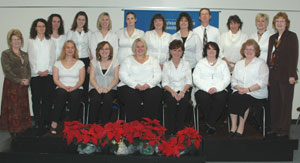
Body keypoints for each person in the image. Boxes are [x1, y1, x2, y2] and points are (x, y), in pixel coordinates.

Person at [267, 12, 299, 138]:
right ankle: (274, 127)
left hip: (286, 76)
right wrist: (268, 76)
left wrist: (292, 75)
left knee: (285, 103)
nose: (279, 23)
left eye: (282, 21)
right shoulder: (272, 38)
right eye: (277, 21)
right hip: (273, 75)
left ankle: (284, 129)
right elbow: (270, 57)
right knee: (274, 102)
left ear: (286, 23)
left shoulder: (291, 36)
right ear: (274, 24)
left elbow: (294, 56)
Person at [229, 39, 269, 137]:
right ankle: (233, 126)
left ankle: (241, 126)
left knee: (243, 98)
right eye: (247, 49)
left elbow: (263, 82)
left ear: (256, 51)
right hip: (239, 90)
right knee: (232, 98)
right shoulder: (239, 64)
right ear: (243, 50)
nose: (249, 51)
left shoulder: (261, 63)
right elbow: (233, 80)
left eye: (252, 49)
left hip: (256, 92)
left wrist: (248, 89)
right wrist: (238, 88)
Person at [118, 38, 162, 122]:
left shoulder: (153, 60)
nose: (140, 49)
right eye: (137, 47)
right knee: (133, 98)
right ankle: (134, 128)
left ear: (146, 48)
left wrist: (148, 84)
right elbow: (122, 75)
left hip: (150, 86)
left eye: (142, 46)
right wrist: (135, 85)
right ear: (134, 48)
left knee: (152, 97)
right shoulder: (127, 60)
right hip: (129, 86)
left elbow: (158, 75)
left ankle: (148, 128)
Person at [193, 42, 230, 136]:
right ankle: (212, 124)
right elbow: (196, 79)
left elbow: (227, 79)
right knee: (204, 98)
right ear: (205, 51)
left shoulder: (223, 63)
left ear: (217, 51)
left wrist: (216, 88)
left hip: (220, 89)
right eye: (209, 49)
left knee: (220, 98)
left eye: (214, 49)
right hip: (203, 89)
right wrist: (207, 88)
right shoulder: (200, 63)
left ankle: (209, 123)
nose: (211, 51)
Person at [0, 29, 32, 139]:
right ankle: (14, 130)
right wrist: (19, 80)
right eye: (14, 39)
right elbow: (7, 71)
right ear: (10, 41)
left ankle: (23, 128)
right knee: (13, 108)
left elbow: (28, 69)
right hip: (12, 85)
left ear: (21, 40)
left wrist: (28, 79)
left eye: (18, 39)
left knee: (22, 107)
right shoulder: (6, 54)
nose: (16, 41)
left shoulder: (25, 54)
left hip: (23, 85)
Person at [50, 40, 85, 134]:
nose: (70, 49)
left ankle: (73, 125)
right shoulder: (57, 63)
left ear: (75, 50)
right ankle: (55, 122)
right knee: (61, 94)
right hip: (61, 87)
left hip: (76, 87)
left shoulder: (80, 63)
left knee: (75, 96)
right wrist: (65, 87)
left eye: (72, 47)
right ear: (64, 49)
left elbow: (81, 80)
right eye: (68, 47)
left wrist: (73, 88)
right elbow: (55, 80)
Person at [28, 18, 56, 129]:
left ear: (46, 28)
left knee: (47, 99)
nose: (41, 28)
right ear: (35, 28)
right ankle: (38, 121)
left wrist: (47, 70)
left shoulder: (50, 41)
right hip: (35, 75)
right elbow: (31, 58)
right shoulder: (31, 41)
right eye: (39, 26)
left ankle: (45, 121)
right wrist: (37, 71)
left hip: (48, 74)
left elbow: (53, 57)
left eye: (43, 26)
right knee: (36, 99)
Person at [162, 40, 192, 136]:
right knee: (171, 102)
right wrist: (173, 92)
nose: (177, 53)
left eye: (179, 50)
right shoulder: (166, 64)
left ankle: (180, 131)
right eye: (174, 50)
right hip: (170, 90)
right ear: (170, 51)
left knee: (184, 102)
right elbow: (165, 83)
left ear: (182, 52)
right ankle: (170, 131)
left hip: (184, 89)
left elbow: (189, 81)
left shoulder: (186, 64)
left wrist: (183, 92)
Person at [89, 41, 119, 124]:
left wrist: (108, 88)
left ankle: (105, 125)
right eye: (101, 49)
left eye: (106, 49)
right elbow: (91, 78)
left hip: (111, 88)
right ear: (98, 51)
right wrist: (98, 88)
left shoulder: (115, 61)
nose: (104, 51)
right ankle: (92, 125)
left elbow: (116, 79)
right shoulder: (94, 61)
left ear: (110, 51)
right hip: (95, 87)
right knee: (95, 100)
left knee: (107, 99)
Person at [67, 11, 91, 105]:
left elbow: (91, 49)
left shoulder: (89, 33)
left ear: (86, 21)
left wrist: (90, 65)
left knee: (84, 85)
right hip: (73, 60)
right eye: (79, 19)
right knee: (74, 84)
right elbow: (67, 48)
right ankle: (73, 111)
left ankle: (83, 114)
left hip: (85, 60)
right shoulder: (70, 32)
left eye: (83, 20)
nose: (81, 21)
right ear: (76, 20)